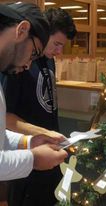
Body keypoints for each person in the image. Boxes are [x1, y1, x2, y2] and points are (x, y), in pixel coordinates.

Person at [3, 8, 77, 206]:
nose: (59, 51)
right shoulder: (14, 65)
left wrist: (36, 139)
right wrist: (34, 152)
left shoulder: (47, 61)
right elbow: (6, 119)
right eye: (56, 44)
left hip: (39, 151)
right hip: (26, 165)